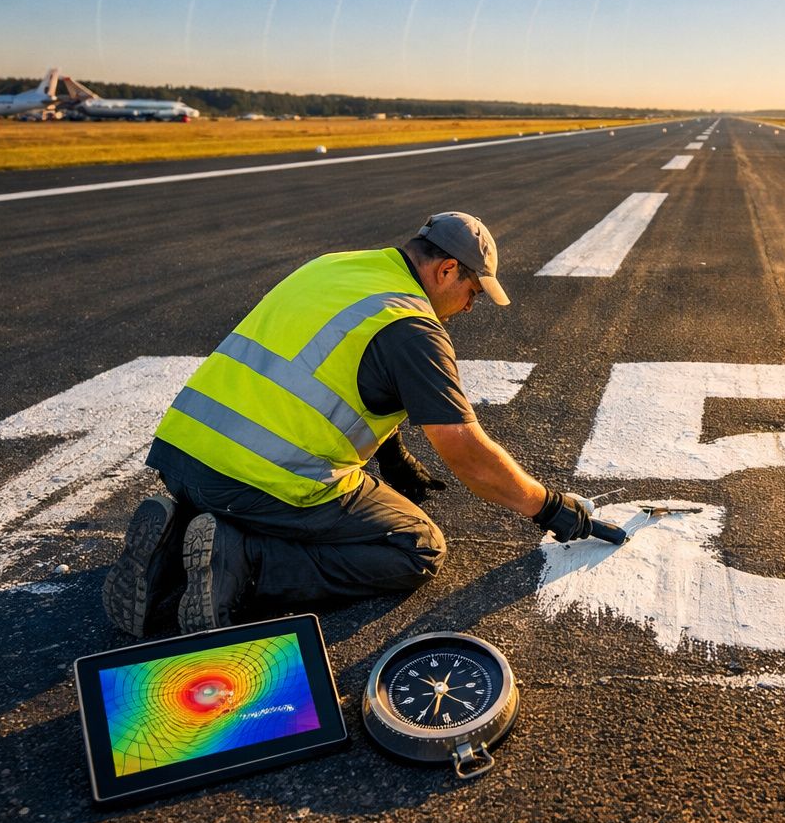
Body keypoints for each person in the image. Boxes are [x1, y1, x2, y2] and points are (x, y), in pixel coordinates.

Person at [102, 211, 602, 636]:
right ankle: (243, 561)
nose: (470, 306)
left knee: (241, 499)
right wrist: (548, 507)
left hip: (183, 456)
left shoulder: (334, 267)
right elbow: (465, 451)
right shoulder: (411, 328)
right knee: (417, 547)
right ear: (447, 269)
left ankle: (174, 542)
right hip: (260, 481)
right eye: (472, 292)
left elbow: (332, 370)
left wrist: (394, 455)